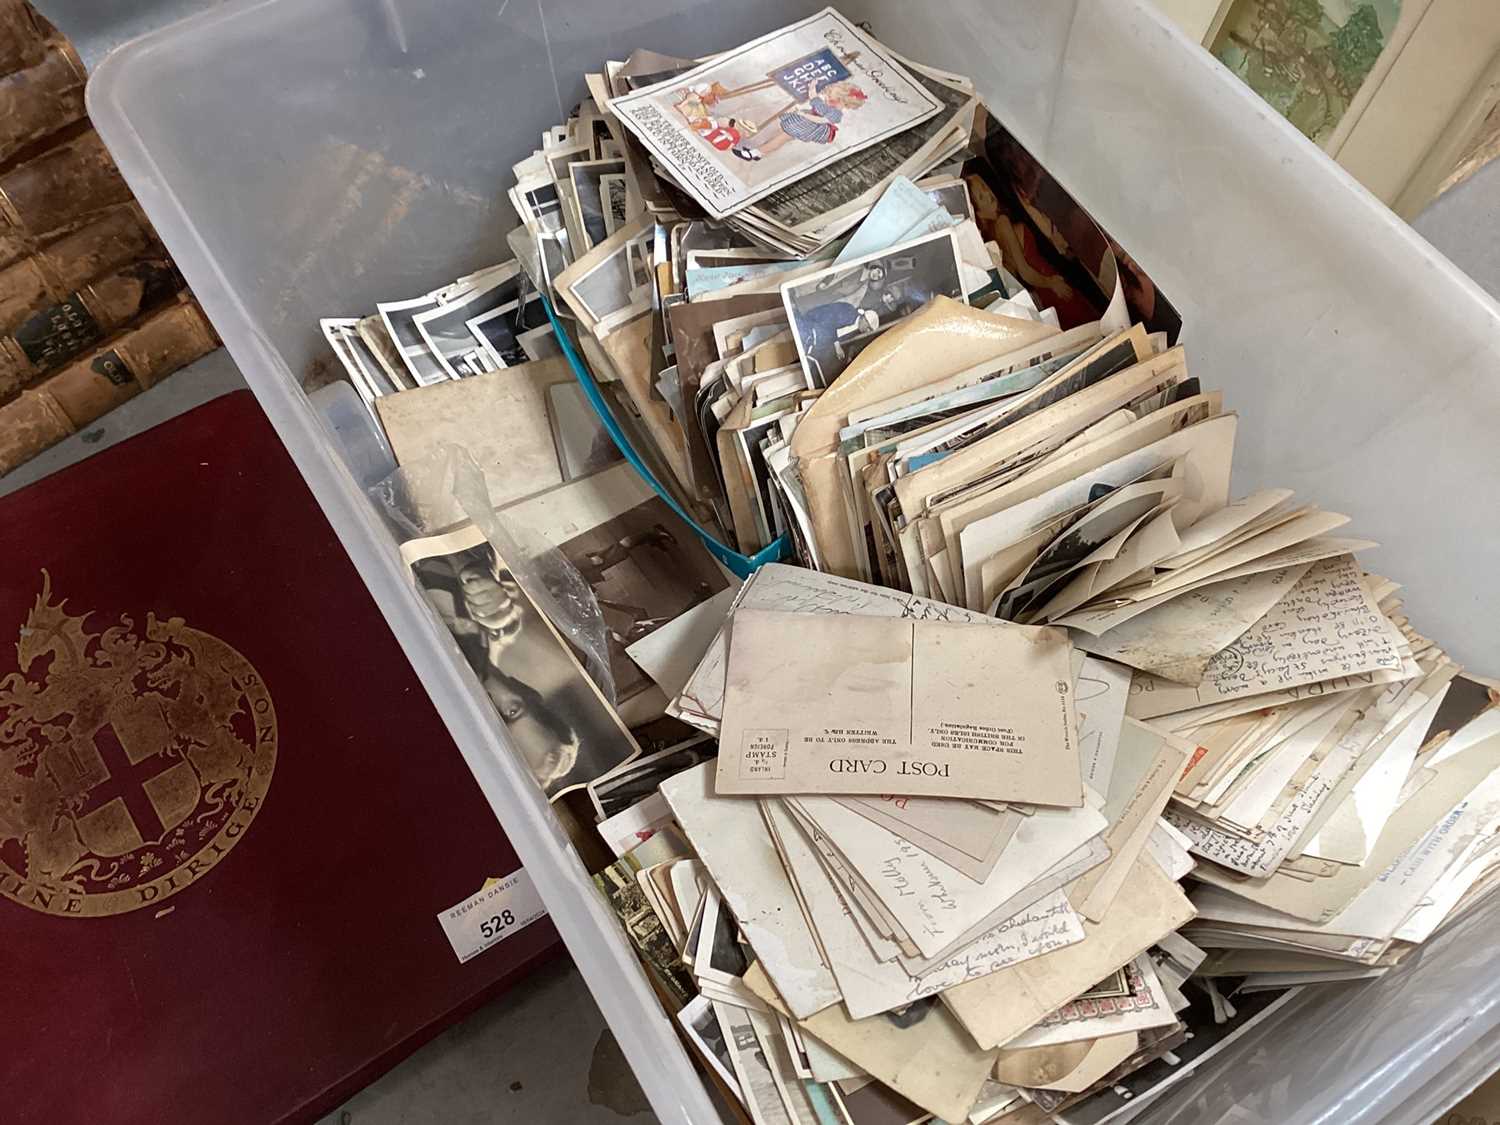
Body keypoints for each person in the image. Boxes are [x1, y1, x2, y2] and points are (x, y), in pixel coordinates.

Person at [731, 78, 867, 162]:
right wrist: (812, 87)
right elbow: (814, 98)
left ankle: (756, 153)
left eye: (833, 99)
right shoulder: (825, 104)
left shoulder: (836, 113)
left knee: (782, 138)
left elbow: (822, 121)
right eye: (829, 97)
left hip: (810, 127)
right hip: (803, 121)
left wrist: (803, 115)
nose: (829, 100)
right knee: (779, 132)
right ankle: (756, 148)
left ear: (843, 102)